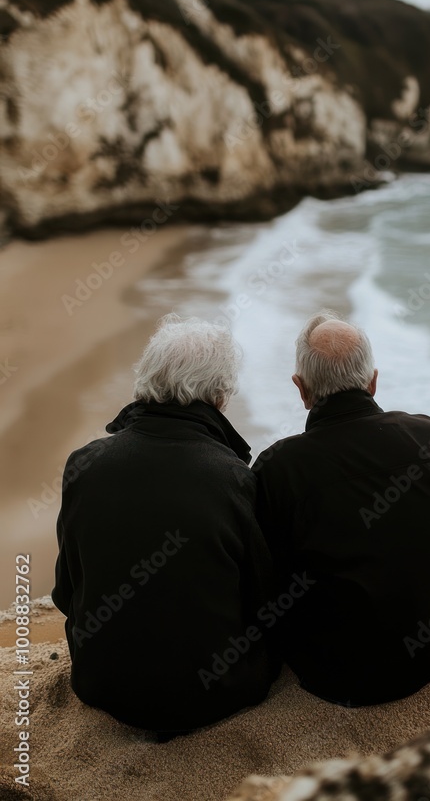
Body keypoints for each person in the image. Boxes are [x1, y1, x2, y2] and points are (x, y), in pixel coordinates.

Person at [52, 314, 277, 735]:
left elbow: (66, 592)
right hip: (217, 691)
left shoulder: (83, 464)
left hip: (100, 683)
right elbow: (264, 603)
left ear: (147, 381)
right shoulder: (234, 479)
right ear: (219, 397)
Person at [253, 311, 430, 706]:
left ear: (302, 389)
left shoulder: (277, 468)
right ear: (372, 382)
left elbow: (265, 593)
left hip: (336, 675)